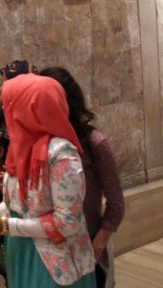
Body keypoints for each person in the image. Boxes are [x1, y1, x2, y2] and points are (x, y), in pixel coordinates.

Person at [0, 73, 96, 288]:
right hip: (23, 250)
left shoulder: (61, 154)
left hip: (55, 262)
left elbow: (67, 222)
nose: (5, 114)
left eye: (10, 107)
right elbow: (20, 205)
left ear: (29, 111)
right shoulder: (21, 150)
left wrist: (6, 226)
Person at [40, 67, 125, 288]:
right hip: (50, 251)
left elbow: (116, 204)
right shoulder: (40, 144)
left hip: (86, 248)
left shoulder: (95, 143)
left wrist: (98, 244)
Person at [0, 60, 39, 286]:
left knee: (29, 263)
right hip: (8, 193)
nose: (2, 89)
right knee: (4, 259)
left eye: (8, 83)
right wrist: (4, 177)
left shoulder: (40, 123)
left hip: (35, 199)